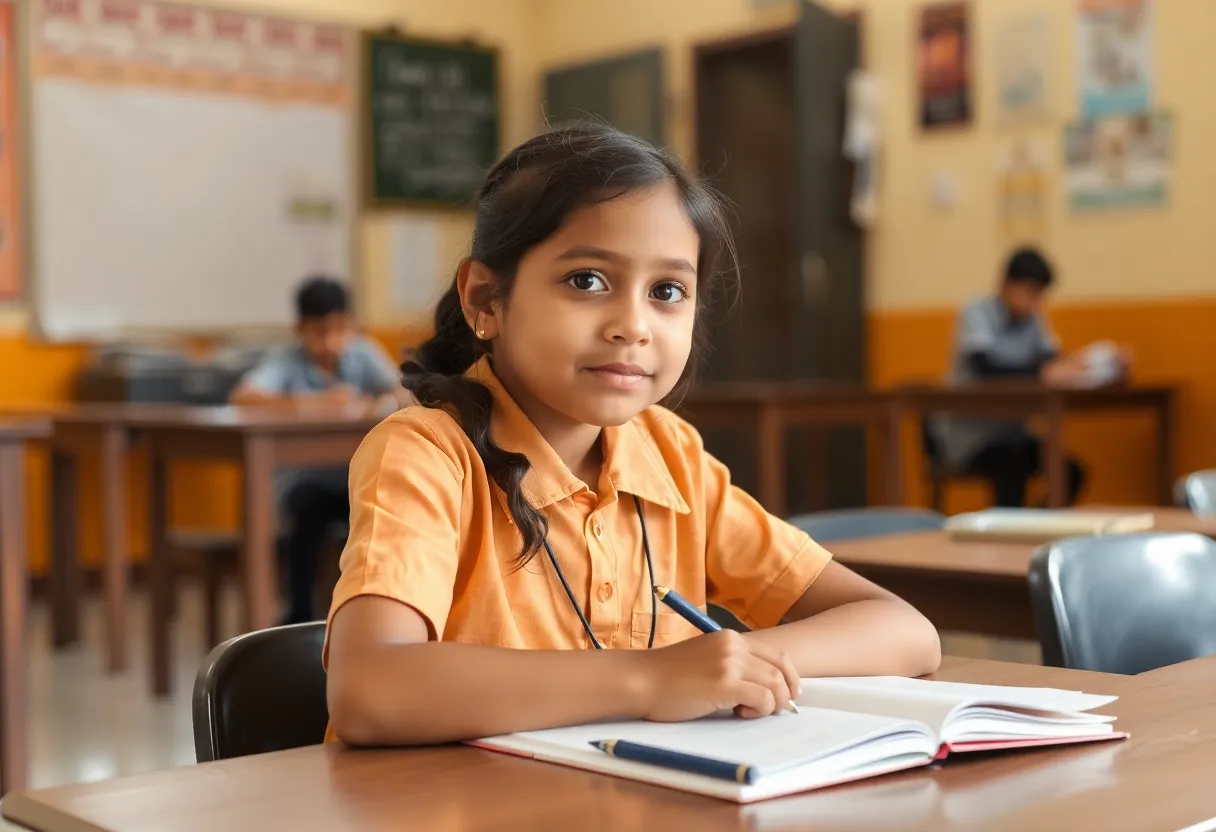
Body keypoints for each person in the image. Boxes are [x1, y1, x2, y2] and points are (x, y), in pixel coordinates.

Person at [322, 125, 941, 748]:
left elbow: (905, 630)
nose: (633, 326)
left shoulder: (668, 454)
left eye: (667, 291)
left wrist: (729, 665)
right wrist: (651, 679)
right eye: (587, 280)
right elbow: (372, 687)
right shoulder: (428, 454)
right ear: (485, 299)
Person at [231, 276, 401, 624]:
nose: (332, 342)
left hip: (354, 479)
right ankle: (299, 615)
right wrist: (315, 401)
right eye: (320, 332)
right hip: (304, 480)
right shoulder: (286, 360)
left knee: (389, 503)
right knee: (307, 515)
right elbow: (244, 397)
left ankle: (379, 610)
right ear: (300, 329)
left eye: (340, 330)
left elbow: (405, 391)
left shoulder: (363, 353)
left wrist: (377, 400)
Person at [933, 247, 1128, 507]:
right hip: (970, 439)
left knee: (1068, 471)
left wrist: (1100, 364)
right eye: (1029, 293)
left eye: (1039, 296)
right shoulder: (976, 311)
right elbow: (984, 368)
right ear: (1005, 285)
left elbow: (1053, 361)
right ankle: (1005, 538)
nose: (1034, 303)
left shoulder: (1034, 318)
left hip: (1014, 434)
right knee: (1013, 465)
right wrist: (1042, 372)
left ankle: (1037, 527)